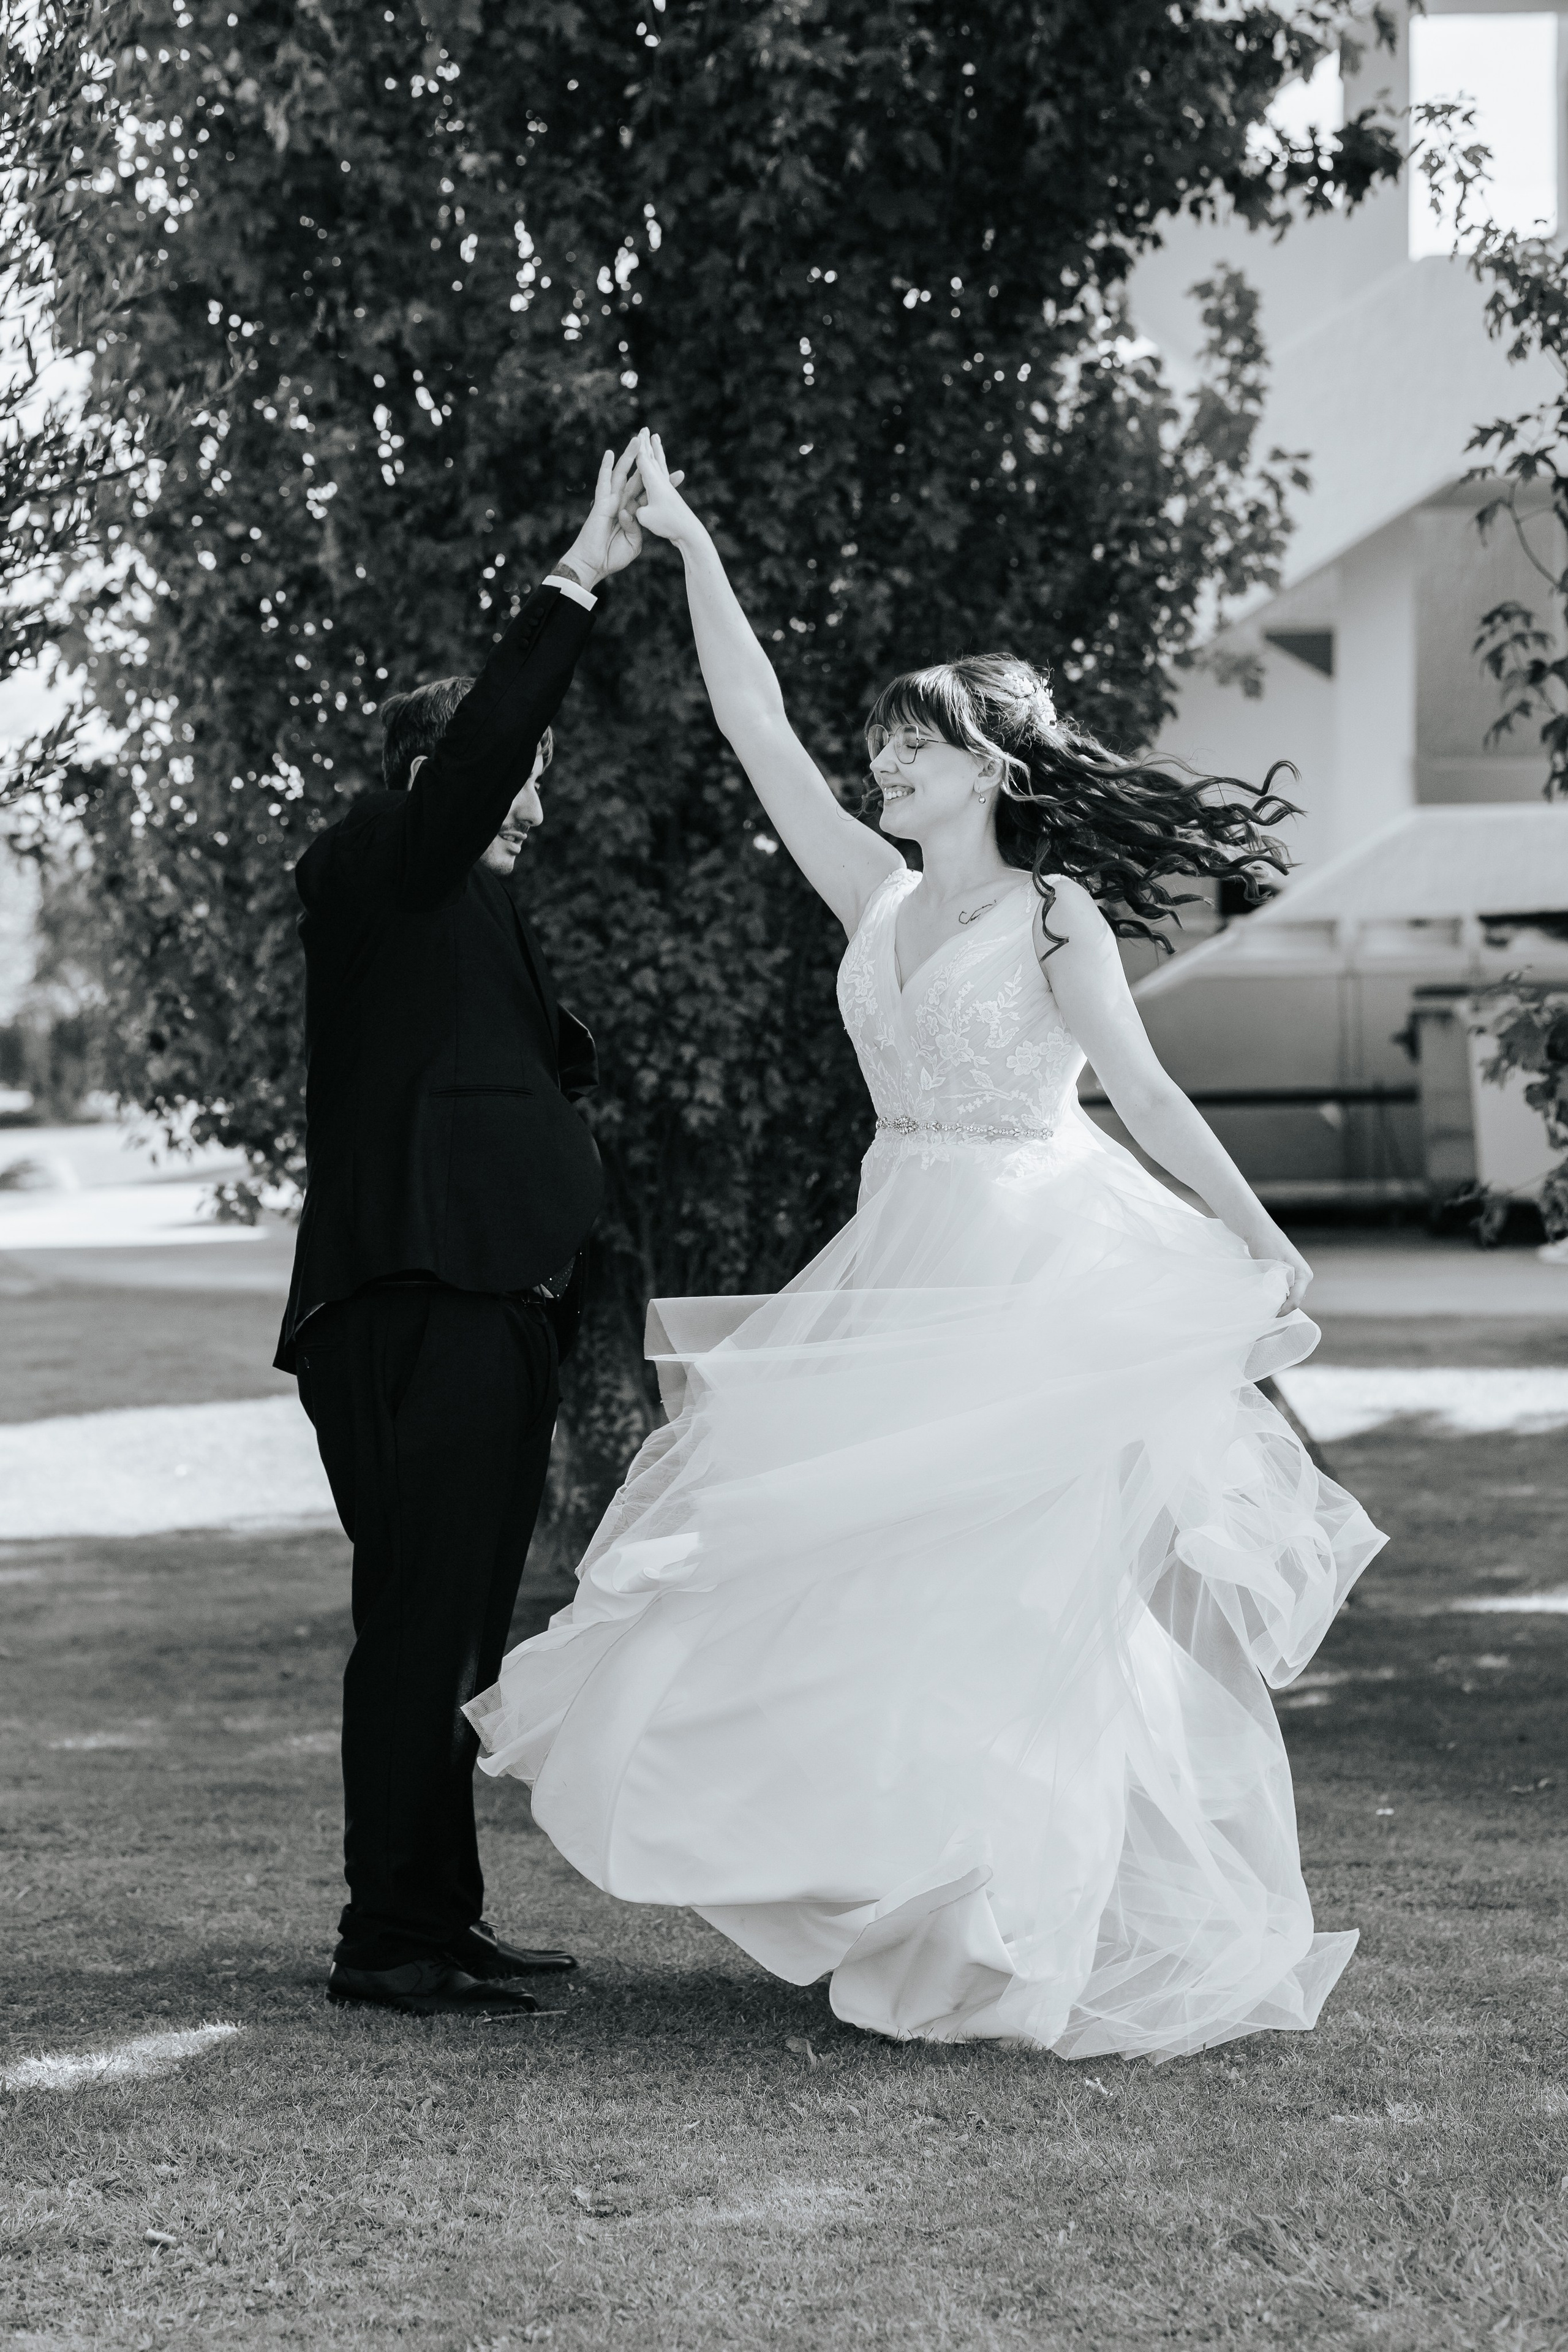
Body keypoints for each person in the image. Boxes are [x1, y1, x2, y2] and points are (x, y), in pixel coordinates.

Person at [466, 429, 1387, 2060]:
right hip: (896, 1254)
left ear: (989, 767)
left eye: (914, 743)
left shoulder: (1053, 916)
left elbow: (1144, 1095)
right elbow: (754, 725)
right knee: (863, 1585)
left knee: (1007, 1603)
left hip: (1025, 1262)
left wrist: (1261, 1240)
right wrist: (689, 546)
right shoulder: (873, 893)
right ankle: (912, 1895)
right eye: (884, 742)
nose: (884, 760)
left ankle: (1016, 1921)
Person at [275, 442, 647, 2018]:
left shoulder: (466, 910)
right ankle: (386, 1943)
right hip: (414, 1302)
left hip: (489, 1301)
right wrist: (579, 578)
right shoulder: (376, 859)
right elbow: (489, 745)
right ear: (437, 777)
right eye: (515, 775)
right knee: (419, 1628)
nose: (534, 803)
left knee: (458, 1636)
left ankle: (440, 1917)